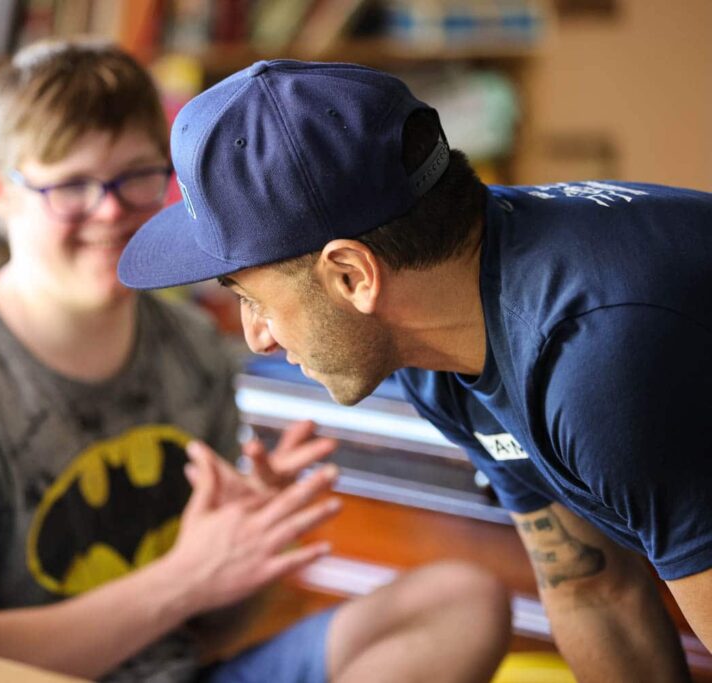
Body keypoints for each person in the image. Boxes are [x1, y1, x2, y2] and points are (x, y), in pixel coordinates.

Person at [0, 41, 511, 683]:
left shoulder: (192, 346)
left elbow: (210, 632)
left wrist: (249, 545)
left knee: (464, 600)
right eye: (73, 186)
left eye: (137, 177)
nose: (112, 213)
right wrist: (185, 578)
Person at [118, 57, 712, 681]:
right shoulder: (439, 336)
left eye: (251, 298)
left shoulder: (596, 357)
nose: (257, 337)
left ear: (352, 275)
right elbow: (593, 590)